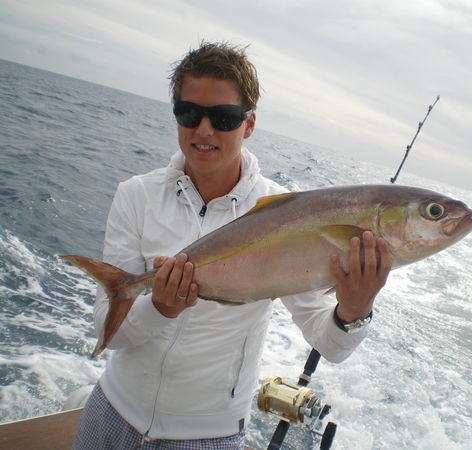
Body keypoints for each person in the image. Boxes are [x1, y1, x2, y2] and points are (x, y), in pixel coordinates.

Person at [72, 41, 392, 449]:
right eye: (189, 114)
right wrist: (159, 308)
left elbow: (330, 344)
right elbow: (108, 333)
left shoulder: (287, 214)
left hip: (207, 436)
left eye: (223, 118)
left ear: (249, 124)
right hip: (112, 411)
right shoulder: (136, 195)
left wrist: (356, 309)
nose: (204, 130)